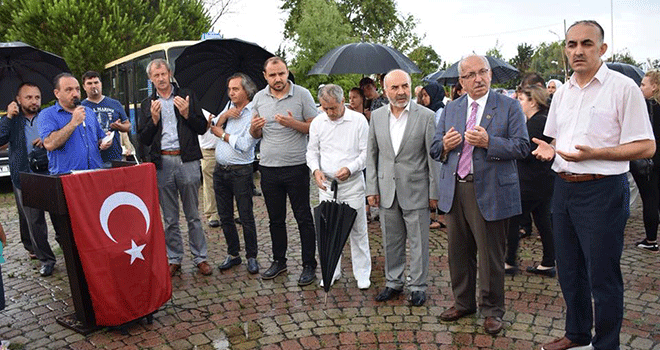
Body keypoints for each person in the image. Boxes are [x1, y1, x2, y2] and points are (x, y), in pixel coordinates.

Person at [533, 20, 655, 350]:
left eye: (586, 43)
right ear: (565, 51)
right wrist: (549, 150)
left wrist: (598, 153)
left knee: (603, 276)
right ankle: (576, 334)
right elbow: (558, 140)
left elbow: (646, 145)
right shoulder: (563, 93)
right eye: (571, 44)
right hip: (564, 188)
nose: (578, 50)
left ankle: (607, 344)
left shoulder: (623, 88)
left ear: (602, 49)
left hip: (602, 190)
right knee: (569, 271)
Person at [430, 55, 530, 335]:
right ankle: (463, 303)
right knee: (458, 254)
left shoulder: (509, 106)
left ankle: (492, 310)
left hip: (490, 190)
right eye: (471, 74)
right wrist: (445, 146)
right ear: (461, 81)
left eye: (483, 72)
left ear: (490, 74)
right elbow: (435, 148)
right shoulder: (452, 108)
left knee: (490, 256)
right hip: (455, 188)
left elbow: (522, 147)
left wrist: (490, 142)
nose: (478, 79)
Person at [366, 69, 437, 306]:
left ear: (411, 86)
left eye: (405, 86)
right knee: (391, 240)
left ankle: (418, 286)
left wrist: (434, 193)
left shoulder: (426, 116)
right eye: (394, 88)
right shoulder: (376, 117)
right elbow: (372, 155)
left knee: (418, 241)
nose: (401, 92)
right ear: (385, 91)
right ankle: (393, 282)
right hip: (386, 190)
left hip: (416, 189)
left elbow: (432, 158)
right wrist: (371, 188)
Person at [137, 58, 212, 277]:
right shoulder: (146, 103)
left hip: (186, 160)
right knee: (170, 218)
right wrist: (153, 119)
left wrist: (188, 114)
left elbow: (200, 128)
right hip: (163, 163)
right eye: (155, 76)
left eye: (163, 74)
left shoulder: (186, 95)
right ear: (150, 79)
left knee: (193, 215)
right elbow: (143, 138)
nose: (160, 79)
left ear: (169, 73)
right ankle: (174, 258)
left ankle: (201, 258)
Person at [249, 57, 319, 286]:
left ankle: (309, 264)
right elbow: (255, 135)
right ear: (265, 76)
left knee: (303, 217)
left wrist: (293, 125)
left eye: (281, 74)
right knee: (275, 219)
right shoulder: (259, 98)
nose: (278, 79)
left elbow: (315, 127)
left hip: (297, 166)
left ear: (288, 72)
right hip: (268, 168)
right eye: (273, 75)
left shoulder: (302, 95)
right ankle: (280, 261)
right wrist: (254, 129)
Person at [307, 84, 371, 289]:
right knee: (328, 230)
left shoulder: (359, 121)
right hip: (327, 184)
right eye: (325, 109)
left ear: (343, 102)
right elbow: (312, 151)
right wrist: (315, 170)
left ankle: (362, 273)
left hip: (351, 183)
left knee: (358, 229)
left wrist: (350, 168)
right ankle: (331, 270)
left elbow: (366, 153)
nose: (329, 113)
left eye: (333, 108)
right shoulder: (318, 123)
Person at [0, 83, 56, 276]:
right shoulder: (12, 120)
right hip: (24, 175)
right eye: (29, 97)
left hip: (50, 172)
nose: (34, 101)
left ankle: (66, 245)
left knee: (58, 215)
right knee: (34, 220)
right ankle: (46, 259)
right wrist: (8, 117)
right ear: (18, 99)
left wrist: (47, 138)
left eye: (37, 97)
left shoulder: (47, 116)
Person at [211, 73, 260, 274]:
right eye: (230, 89)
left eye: (235, 89)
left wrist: (221, 134)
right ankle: (233, 254)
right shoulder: (228, 107)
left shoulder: (253, 113)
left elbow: (245, 145)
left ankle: (252, 256)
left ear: (246, 91)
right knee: (225, 216)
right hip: (220, 170)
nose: (231, 92)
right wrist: (223, 117)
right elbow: (213, 124)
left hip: (241, 171)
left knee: (246, 215)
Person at [505, 85, 555, 277]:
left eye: (521, 99)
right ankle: (548, 262)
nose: (519, 103)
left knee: (512, 220)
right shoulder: (540, 120)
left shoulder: (536, 123)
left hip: (531, 182)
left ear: (533, 101)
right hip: (540, 181)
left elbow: (524, 151)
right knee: (542, 221)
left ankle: (509, 261)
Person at [39, 73, 111, 174]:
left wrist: (105, 141)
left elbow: (99, 138)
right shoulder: (47, 114)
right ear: (57, 93)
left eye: (77, 89)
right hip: (67, 177)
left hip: (95, 173)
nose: (75, 94)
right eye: (69, 90)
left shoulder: (88, 112)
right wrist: (73, 123)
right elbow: (49, 144)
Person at [632, 70, 660, 252]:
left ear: (654, 86)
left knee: (649, 199)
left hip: (649, 160)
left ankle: (651, 240)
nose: (640, 88)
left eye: (643, 84)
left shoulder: (648, 107)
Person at [80, 71, 131, 167]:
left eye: (96, 82)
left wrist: (119, 126)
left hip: (114, 157)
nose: (93, 86)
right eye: (89, 83)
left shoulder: (115, 104)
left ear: (101, 84)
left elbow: (128, 126)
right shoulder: (81, 107)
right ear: (84, 87)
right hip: (92, 160)